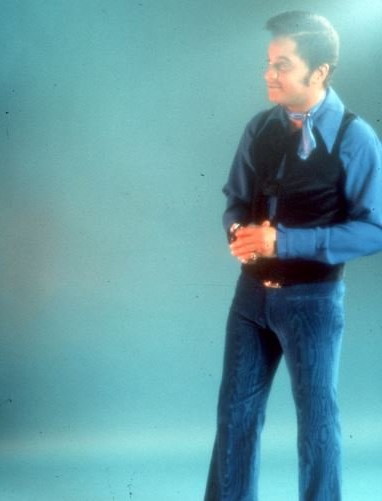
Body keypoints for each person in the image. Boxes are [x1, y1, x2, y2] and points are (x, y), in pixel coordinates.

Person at [204, 10, 382, 501]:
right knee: (234, 418)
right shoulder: (260, 128)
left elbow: (375, 229)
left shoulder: (355, 138)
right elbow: (235, 200)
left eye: (282, 65)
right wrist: (237, 231)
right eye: (268, 62)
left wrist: (282, 242)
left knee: (317, 427)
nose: (268, 74)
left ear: (319, 71)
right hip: (250, 299)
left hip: (312, 302)